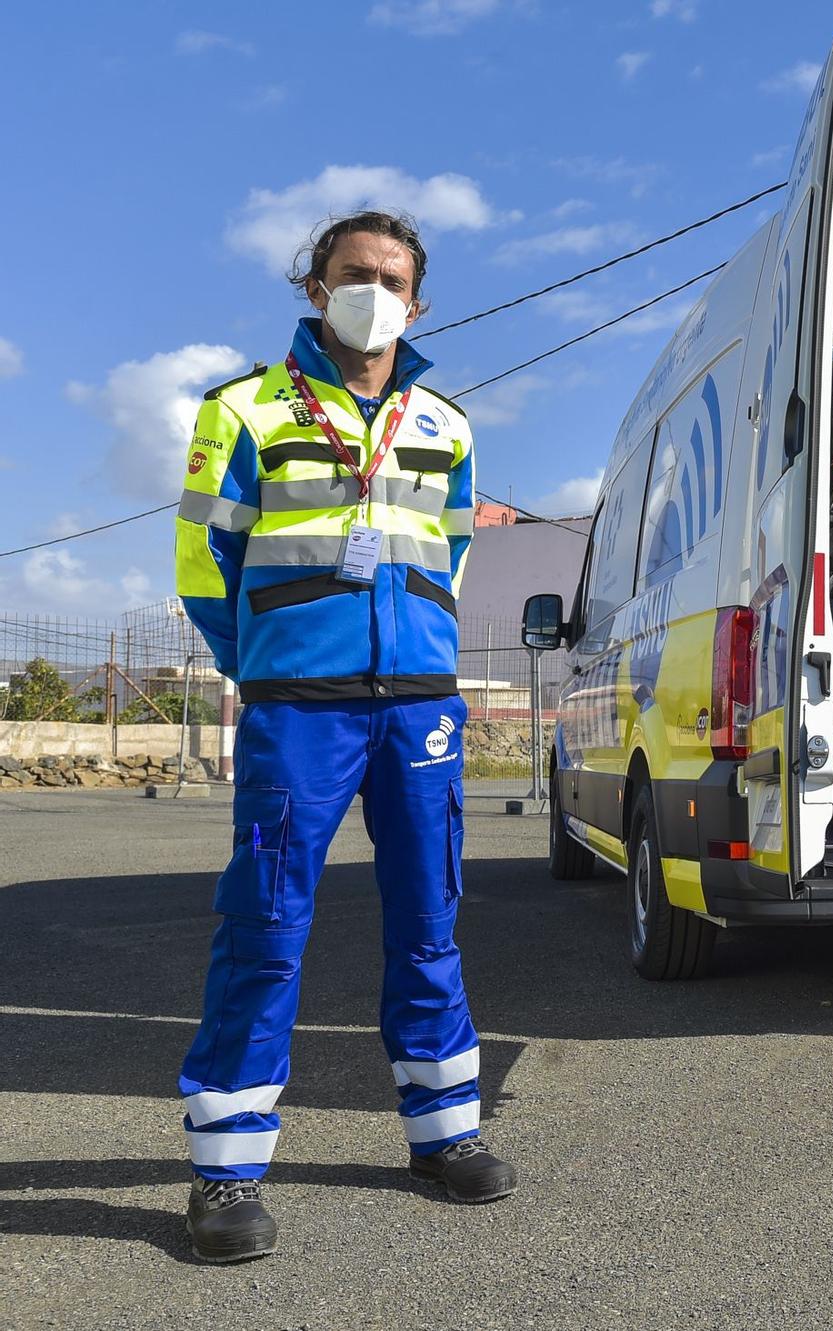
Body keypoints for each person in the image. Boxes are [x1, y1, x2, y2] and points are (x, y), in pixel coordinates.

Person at [172, 210, 516, 1263]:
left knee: (429, 915)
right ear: (315, 286)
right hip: (297, 704)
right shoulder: (240, 408)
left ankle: (442, 1131)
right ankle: (226, 1171)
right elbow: (203, 566)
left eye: (392, 276)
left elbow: (450, 554)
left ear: (417, 301)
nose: (372, 288)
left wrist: (416, 652)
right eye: (351, 271)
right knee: (266, 924)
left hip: (417, 703)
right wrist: (266, 663)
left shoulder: (445, 423)